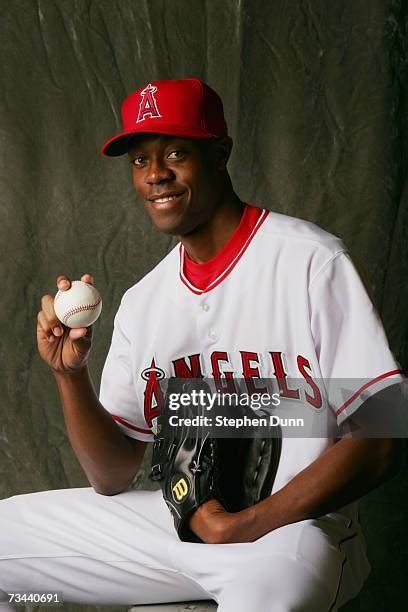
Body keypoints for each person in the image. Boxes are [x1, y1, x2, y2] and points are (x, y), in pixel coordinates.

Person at [0, 78, 404, 612]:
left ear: (220, 153)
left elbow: (381, 436)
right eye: (139, 161)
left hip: (291, 533)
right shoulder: (145, 302)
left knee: (268, 595)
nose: (155, 176)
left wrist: (246, 527)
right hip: (178, 527)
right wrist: (69, 375)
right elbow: (113, 473)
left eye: (174, 152)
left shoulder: (310, 261)